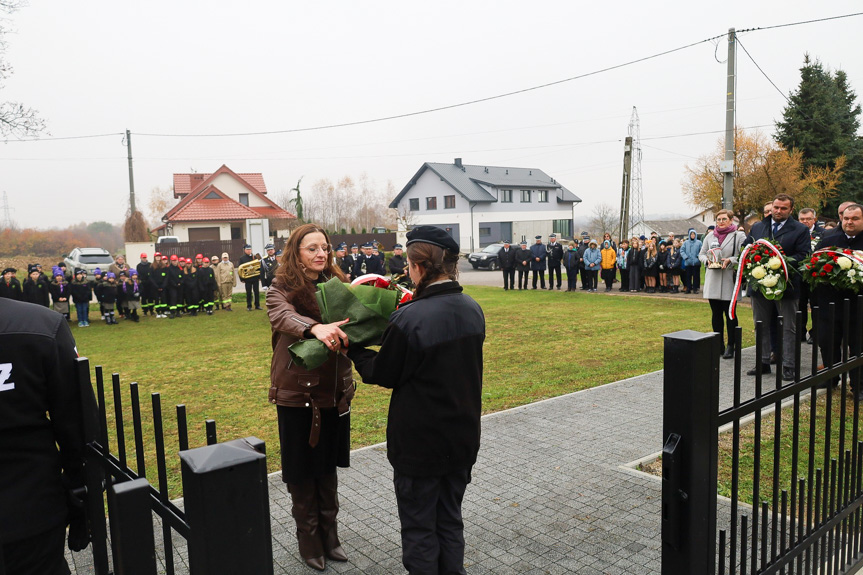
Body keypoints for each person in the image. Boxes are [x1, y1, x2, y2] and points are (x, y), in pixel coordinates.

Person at [347, 225, 484, 575]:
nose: (406, 272)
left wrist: (354, 348)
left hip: (420, 445)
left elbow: (383, 372)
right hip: (462, 437)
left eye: (409, 265)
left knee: (421, 529)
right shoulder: (473, 308)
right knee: (450, 521)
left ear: (419, 267)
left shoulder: (409, 319)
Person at [266, 223, 355, 571]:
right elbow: (282, 316)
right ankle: (309, 540)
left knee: (327, 467)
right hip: (297, 396)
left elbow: (356, 324)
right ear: (296, 253)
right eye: (312, 248)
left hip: (334, 394)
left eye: (325, 248)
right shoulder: (281, 288)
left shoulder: (337, 286)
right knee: (302, 471)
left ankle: (330, 537)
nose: (321, 254)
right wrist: (314, 327)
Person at [0, 296, 99, 575]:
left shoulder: (41, 325)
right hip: (29, 507)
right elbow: (77, 425)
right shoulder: (39, 324)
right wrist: (81, 493)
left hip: (30, 508)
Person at [744, 194, 810, 380]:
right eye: (776, 207)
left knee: (789, 327)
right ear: (771, 207)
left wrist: (777, 263)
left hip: (786, 286)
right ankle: (763, 362)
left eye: (783, 208)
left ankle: (789, 365)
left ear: (791, 210)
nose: (778, 211)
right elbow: (747, 247)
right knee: (760, 325)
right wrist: (755, 261)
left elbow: (804, 255)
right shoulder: (758, 226)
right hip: (759, 285)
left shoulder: (799, 229)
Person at [813, 204, 863, 397]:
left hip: (858, 305)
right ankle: (830, 377)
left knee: (858, 346)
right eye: (846, 218)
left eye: (855, 218)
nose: (849, 222)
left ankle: (858, 385)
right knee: (827, 342)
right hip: (830, 304)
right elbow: (814, 267)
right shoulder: (828, 240)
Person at [699, 210, 745, 359]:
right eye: (718, 219)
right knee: (716, 314)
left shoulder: (738, 235)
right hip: (713, 277)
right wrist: (707, 261)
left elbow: (743, 254)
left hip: (728, 278)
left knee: (730, 313)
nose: (721, 222)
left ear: (731, 220)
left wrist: (730, 260)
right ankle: (718, 345)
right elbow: (702, 253)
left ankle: (732, 344)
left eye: (724, 219)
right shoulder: (710, 235)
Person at [797, 208, 824, 343]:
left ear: (814, 219)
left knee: (815, 305)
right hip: (799, 276)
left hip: (815, 276)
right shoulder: (796, 232)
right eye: (802, 219)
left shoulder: (822, 233)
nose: (805, 222)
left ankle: (815, 333)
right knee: (799, 305)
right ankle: (800, 331)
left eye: (808, 219)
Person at [238, 244, 262, 311]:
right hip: (247, 279)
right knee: (248, 292)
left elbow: (260, 267)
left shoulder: (255, 257)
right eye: (247, 249)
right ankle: (249, 306)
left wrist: (260, 277)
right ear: (244, 250)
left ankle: (257, 305)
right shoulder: (242, 258)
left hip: (255, 277)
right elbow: (240, 269)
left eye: (250, 249)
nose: (249, 251)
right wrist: (241, 279)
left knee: (256, 292)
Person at [680, 229, 703, 294]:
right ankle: (688, 288)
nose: (692, 235)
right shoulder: (686, 243)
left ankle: (695, 289)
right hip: (688, 262)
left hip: (696, 263)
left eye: (694, 234)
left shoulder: (699, 243)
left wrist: (698, 257)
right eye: (691, 234)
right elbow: (682, 251)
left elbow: (702, 250)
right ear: (689, 235)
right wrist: (685, 257)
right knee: (688, 276)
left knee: (696, 276)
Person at [165, 254, 184, 319]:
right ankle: (172, 312)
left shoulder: (180, 268)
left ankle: (178, 312)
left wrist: (180, 283)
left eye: (175, 260)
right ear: (171, 261)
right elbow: (169, 278)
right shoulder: (168, 268)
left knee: (179, 299)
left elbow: (182, 277)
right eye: (173, 260)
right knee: (173, 298)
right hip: (172, 286)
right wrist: (174, 284)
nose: (174, 262)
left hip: (180, 286)